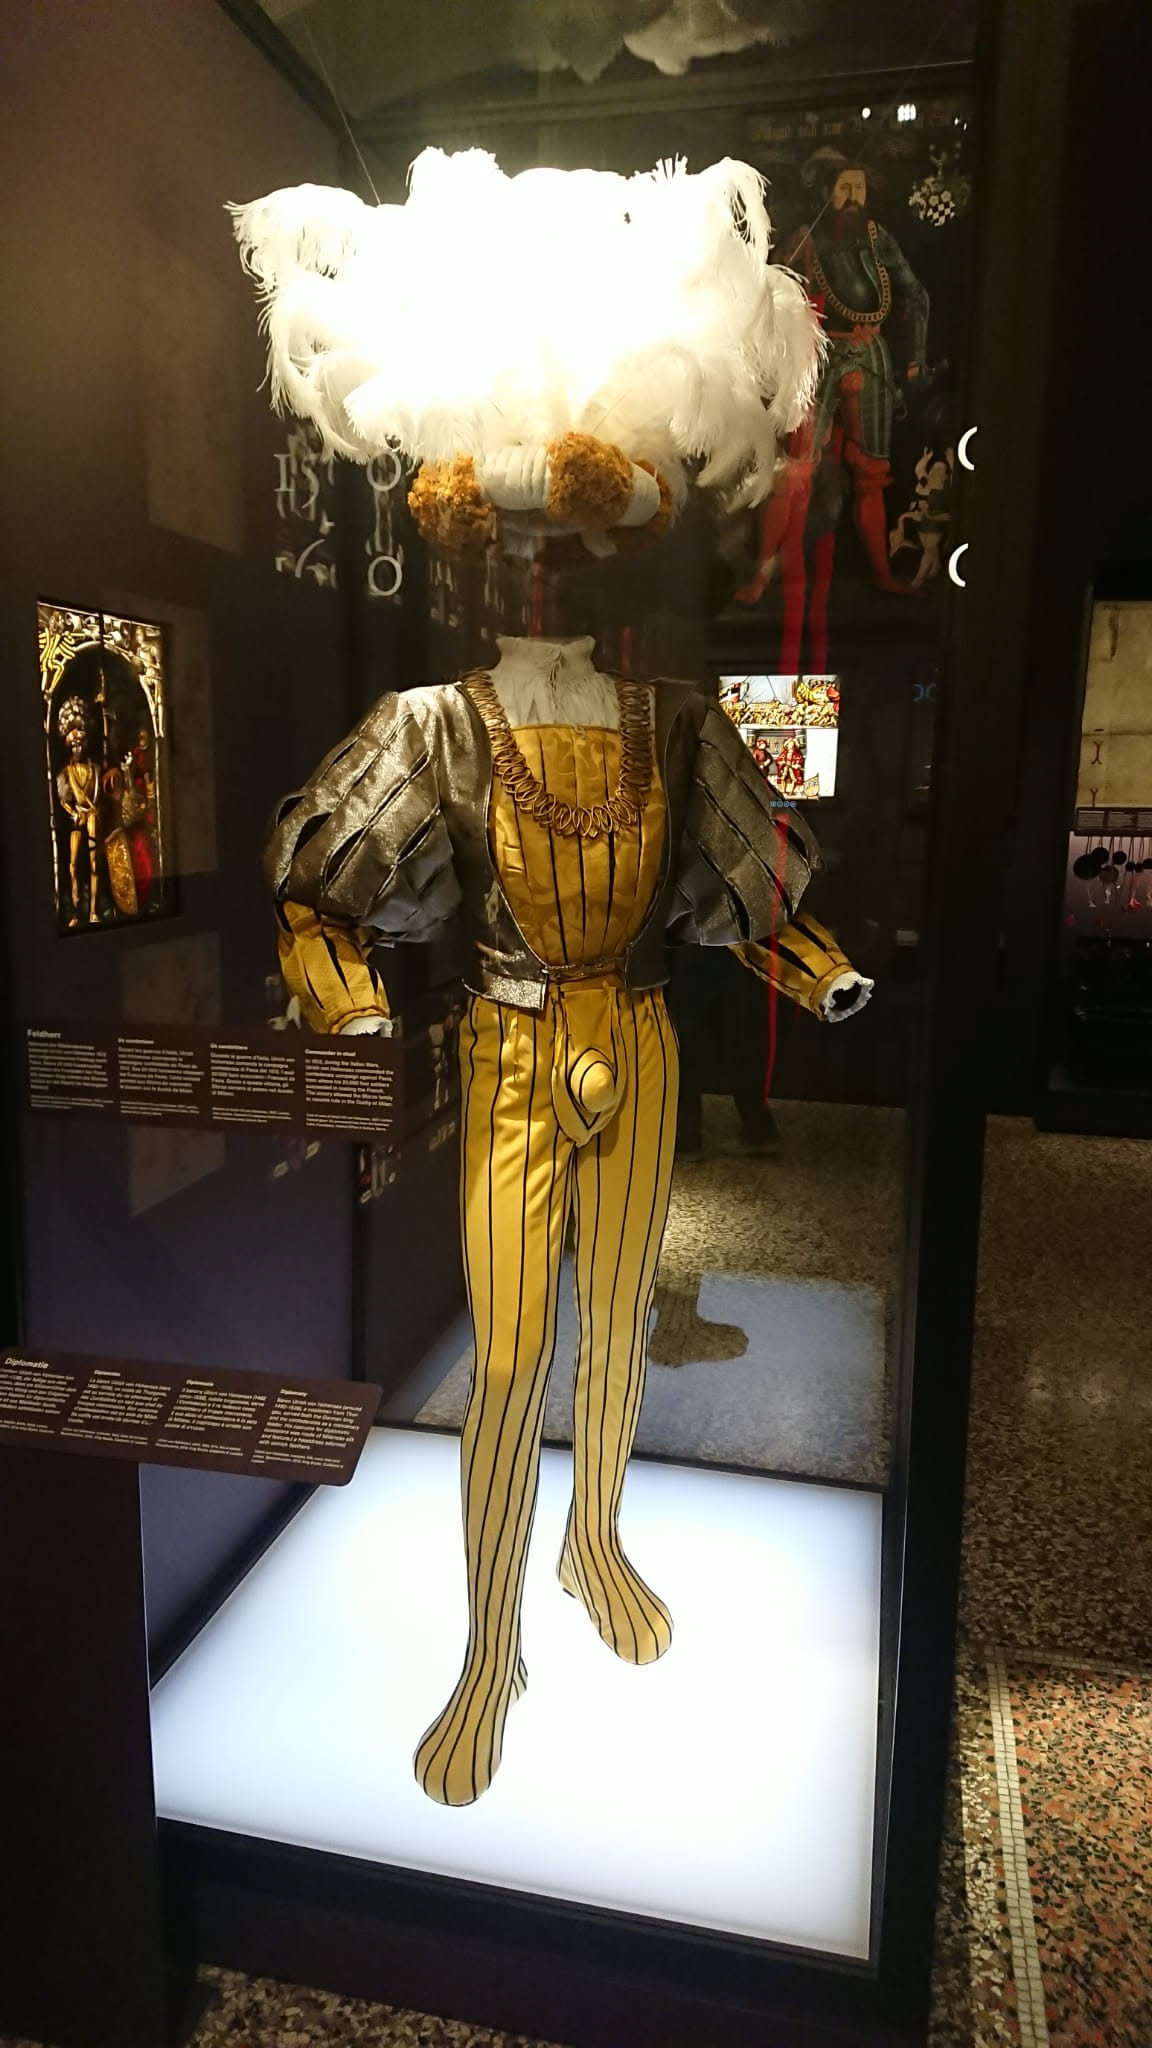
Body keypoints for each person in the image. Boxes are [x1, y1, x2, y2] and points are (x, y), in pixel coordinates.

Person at [735, 151, 930, 661]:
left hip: (871, 356)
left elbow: (914, 293)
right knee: (794, 471)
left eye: (859, 188)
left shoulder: (878, 238)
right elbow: (771, 292)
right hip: (819, 356)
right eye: (843, 188)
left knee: (871, 473)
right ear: (824, 191)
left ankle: (881, 573)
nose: (852, 198)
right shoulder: (808, 239)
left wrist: (916, 356)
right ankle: (762, 571)